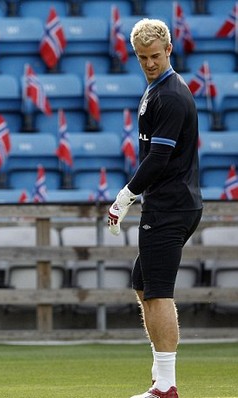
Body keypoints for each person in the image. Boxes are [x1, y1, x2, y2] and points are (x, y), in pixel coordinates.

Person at [107, 19, 203, 398]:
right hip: (170, 203)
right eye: (142, 57)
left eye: (155, 56)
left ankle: (166, 385)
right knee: (143, 284)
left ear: (169, 50)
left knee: (158, 291)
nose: (148, 63)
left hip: (170, 207)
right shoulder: (157, 89)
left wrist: (126, 195)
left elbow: (158, 158)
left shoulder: (171, 96)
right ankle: (160, 374)